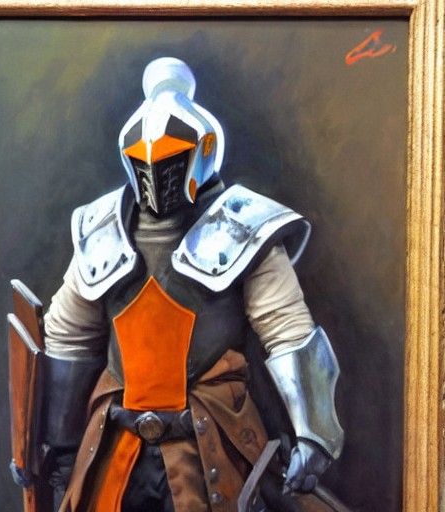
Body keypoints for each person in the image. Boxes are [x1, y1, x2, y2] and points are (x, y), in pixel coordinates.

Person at [40, 57, 344, 512]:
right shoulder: (102, 227)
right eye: (145, 162)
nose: (156, 174)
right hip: (117, 446)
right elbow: (69, 337)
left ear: (203, 150)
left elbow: (287, 330)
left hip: (207, 443)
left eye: (170, 159)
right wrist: (58, 443)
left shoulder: (244, 225)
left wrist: (313, 432)